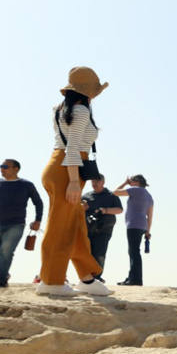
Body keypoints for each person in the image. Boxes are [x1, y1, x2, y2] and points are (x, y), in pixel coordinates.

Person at [38, 67, 111, 296]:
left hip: (60, 166)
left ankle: (87, 279)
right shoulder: (79, 111)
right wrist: (72, 181)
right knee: (60, 227)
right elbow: (72, 147)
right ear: (88, 92)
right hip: (67, 170)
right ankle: (51, 281)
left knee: (76, 224)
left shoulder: (62, 109)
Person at [0, 159, 43, 288]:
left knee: (6, 251)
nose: (2, 169)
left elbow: (38, 202)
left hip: (16, 224)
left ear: (16, 169)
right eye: (1, 166)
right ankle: (4, 274)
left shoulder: (26, 185)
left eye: (5, 166)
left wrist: (37, 220)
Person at [113, 174, 153, 286]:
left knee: (133, 252)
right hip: (142, 225)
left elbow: (115, 192)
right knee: (134, 251)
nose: (131, 183)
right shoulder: (149, 196)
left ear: (137, 182)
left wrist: (125, 183)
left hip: (133, 224)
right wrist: (148, 231)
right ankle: (132, 277)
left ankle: (135, 279)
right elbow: (150, 216)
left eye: (132, 181)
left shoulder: (135, 190)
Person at [81, 174, 122, 281]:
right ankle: (88, 277)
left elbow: (119, 210)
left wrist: (105, 210)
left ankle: (97, 277)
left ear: (103, 182)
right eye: (93, 182)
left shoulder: (111, 195)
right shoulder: (86, 196)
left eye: (97, 182)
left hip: (104, 229)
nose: (94, 184)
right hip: (88, 228)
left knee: (99, 253)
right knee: (87, 253)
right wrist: (82, 208)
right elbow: (77, 211)